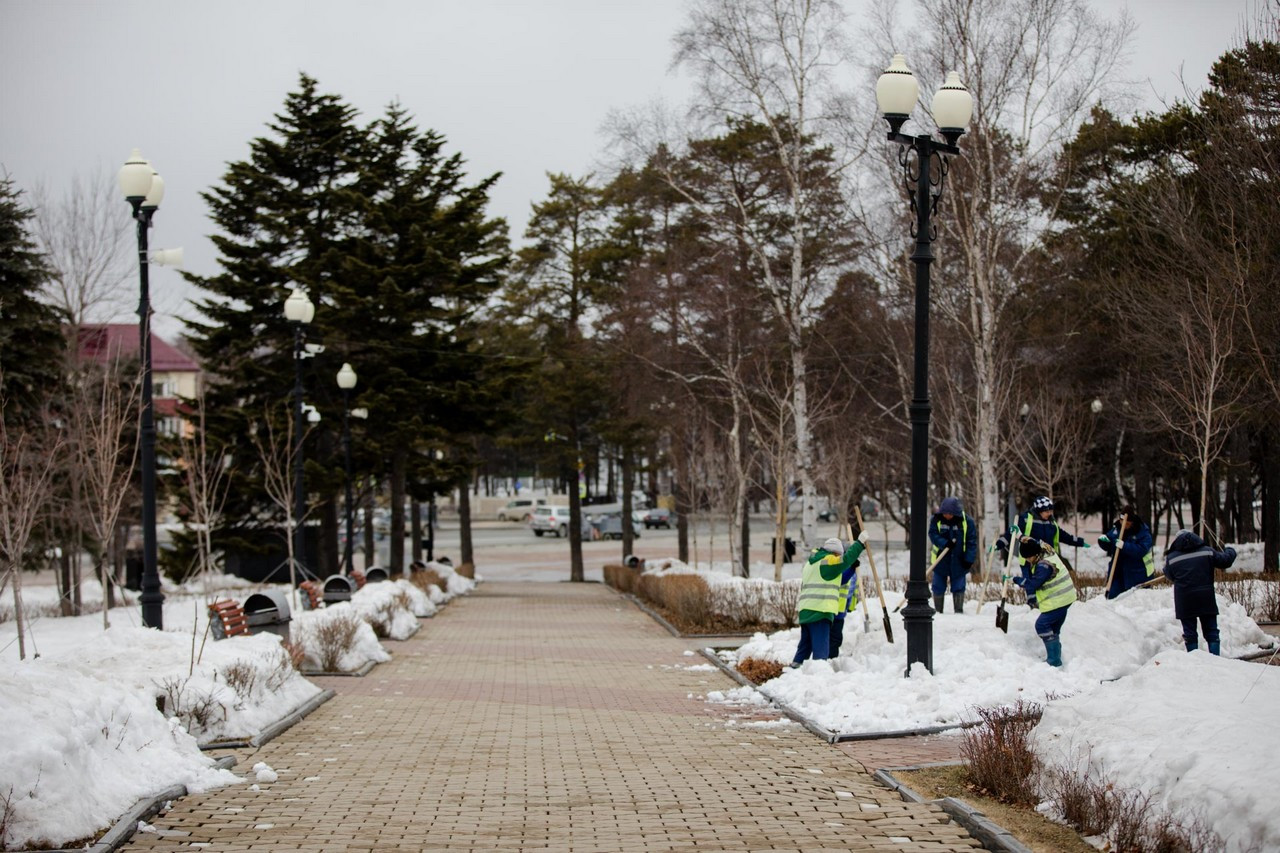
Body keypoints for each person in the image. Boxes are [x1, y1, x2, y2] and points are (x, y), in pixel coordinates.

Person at [790, 532, 869, 667]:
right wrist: (860, 543)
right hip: (819, 611)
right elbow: (845, 559)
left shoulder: (812, 563)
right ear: (835, 554)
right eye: (838, 555)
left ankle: (794, 671)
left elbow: (840, 579)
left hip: (806, 611)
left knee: (805, 647)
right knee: (821, 650)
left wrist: (851, 569)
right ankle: (819, 678)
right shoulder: (827, 561)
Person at [996, 495, 1088, 607]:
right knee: (1030, 583)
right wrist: (999, 544)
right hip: (1029, 558)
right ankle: (1033, 606)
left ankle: (1045, 604)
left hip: (1045, 559)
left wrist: (1079, 542)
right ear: (1039, 511)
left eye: (1050, 510)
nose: (1049, 513)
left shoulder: (1051, 523)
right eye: (1047, 511)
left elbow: (1063, 536)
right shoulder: (1026, 519)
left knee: (1044, 583)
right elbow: (1012, 533)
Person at [1163, 529, 1237, 655]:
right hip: (1205, 597)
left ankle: (1195, 661)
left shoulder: (1172, 558)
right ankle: (1215, 659)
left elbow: (1169, 575)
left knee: (1190, 633)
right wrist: (1230, 550)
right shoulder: (1207, 551)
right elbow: (1225, 561)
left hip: (1184, 600)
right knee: (1211, 631)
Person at [1012, 537, 1077, 667]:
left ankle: (1054, 660)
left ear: (1034, 554)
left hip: (1058, 600)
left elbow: (1034, 584)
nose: (1027, 560)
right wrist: (1020, 536)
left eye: (1028, 557)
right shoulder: (1046, 550)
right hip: (1065, 598)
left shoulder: (1044, 566)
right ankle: (1056, 658)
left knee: (1041, 625)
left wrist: (1017, 580)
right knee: (1053, 628)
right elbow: (1034, 541)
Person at [927, 496, 979, 613]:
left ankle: (958, 611)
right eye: (945, 513)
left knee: (959, 586)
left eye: (949, 513)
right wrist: (945, 543)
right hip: (940, 560)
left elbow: (971, 541)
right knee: (938, 586)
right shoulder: (937, 520)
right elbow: (933, 534)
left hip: (959, 561)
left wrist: (969, 559)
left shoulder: (967, 522)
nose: (947, 516)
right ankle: (938, 611)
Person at [1098, 507, 1156, 598]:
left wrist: (1124, 546)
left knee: (1132, 603)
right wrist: (1103, 542)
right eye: (1121, 522)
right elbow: (1110, 541)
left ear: (1132, 522)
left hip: (1137, 575)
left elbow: (1141, 550)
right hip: (1117, 572)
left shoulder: (1143, 533)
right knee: (1113, 599)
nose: (1123, 525)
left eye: (1127, 524)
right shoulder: (1117, 529)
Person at [828, 555, 862, 657]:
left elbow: (852, 590)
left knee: (836, 639)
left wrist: (850, 607)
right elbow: (842, 579)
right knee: (833, 639)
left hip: (840, 611)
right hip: (832, 609)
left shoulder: (854, 571)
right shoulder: (838, 566)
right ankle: (829, 661)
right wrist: (851, 568)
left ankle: (831, 659)